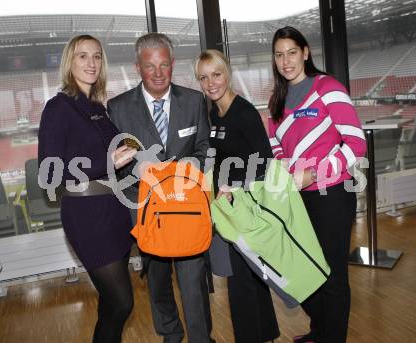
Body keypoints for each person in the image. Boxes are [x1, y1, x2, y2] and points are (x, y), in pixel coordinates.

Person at [107, 33, 213, 343]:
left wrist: (194, 163)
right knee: (157, 279)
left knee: (193, 280)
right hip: (147, 210)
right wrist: (135, 167)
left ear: (172, 64)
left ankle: (200, 338)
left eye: (164, 65)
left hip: (187, 207)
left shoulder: (194, 101)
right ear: (137, 67)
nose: (158, 73)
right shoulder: (118, 107)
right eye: (150, 66)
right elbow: (117, 160)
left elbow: (205, 147)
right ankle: (169, 333)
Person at [267, 26, 367, 343]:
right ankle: (319, 331)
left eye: (292, 52)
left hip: (333, 194)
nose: (286, 61)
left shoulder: (327, 87)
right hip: (298, 197)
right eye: (279, 55)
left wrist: (313, 174)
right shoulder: (276, 100)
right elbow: (276, 145)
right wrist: (288, 169)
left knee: (333, 276)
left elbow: (356, 143)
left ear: (306, 52)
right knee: (309, 272)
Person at [38, 34, 137, 343]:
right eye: (83, 56)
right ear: (70, 62)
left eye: (96, 56)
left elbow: (115, 159)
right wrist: (106, 160)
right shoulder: (58, 107)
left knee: (110, 305)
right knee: (122, 303)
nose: (91, 63)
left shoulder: (97, 107)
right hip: (87, 216)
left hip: (114, 211)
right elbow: (49, 174)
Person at [194, 49, 280, 343]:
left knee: (240, 281)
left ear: (227, 74)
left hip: (247, 205)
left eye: (216, 74)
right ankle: (265, 332)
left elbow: (265, 163)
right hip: (230, 206)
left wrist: (237, 188)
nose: (210, 83)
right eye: (203, 78)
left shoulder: (243, 112)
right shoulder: (215, 113)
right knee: (252, 276)